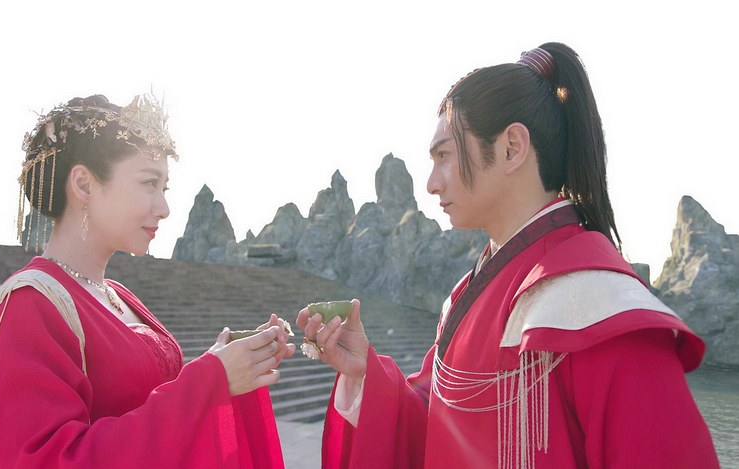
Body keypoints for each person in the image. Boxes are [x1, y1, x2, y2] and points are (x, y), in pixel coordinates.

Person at [297, 43, 719, 468]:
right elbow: (441, 428)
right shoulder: (467, 294)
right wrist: (365, 374)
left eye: (443, 156)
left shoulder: (602, 308)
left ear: (512, 147)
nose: (431, 183)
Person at [0, 93, 295, 468]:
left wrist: (229, 364)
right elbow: (45, 461)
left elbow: (156, 402)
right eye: (148, 183)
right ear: (84, 185)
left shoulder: (117, 294)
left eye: (164, 188)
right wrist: (211, 380)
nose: (164, 208)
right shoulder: (29, 303)